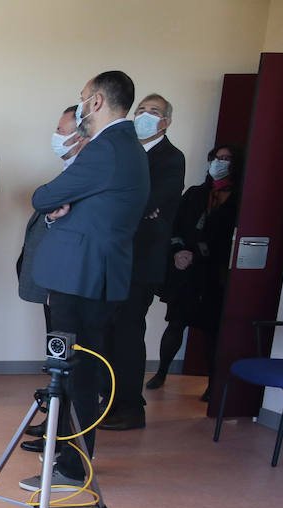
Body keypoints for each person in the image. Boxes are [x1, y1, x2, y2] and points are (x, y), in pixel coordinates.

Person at [24, 70, 149, 491]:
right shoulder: (126, 147)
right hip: (93, 274)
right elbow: (96, 204)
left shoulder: (105, 148)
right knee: (81, 370)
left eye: (81, 99)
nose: (78, 107)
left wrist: (61, 202)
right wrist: (70, 205)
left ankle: (74, 468)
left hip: (82, 277)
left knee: (75, 373)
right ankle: (72, 456)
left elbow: (44, 196)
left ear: (95, 102)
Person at [100, 93, 185, 430]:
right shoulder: (126, 151)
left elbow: (151, 200)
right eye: (141, 110)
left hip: (141, 261)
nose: (146, 116)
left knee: (128, 333)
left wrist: (136, 204)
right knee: (107, 331)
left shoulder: (171, 157)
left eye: (154, 112)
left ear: (166, 122)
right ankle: (107, 401)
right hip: (113, 256)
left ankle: (132, 409)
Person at [15, 105, 88, 453]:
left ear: (81, 134)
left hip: (66, 282)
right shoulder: (70, 170)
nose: (56, 136)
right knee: (57, 353)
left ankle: (63, 434)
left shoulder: (85, 175)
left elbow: (57, 216)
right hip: (53, 279)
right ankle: (54, 423)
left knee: (68, 357)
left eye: (62, 129)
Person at [145, 145, 242, 400]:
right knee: (175, 323)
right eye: (216, 158)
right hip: (185, 270)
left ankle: (213, 383)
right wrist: (178, 251)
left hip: (215, 274)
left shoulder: (240, 198)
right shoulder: (196, 194)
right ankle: (162, 372)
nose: (220, 163)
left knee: (212, 330)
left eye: (226, 159)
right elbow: (174, 225)